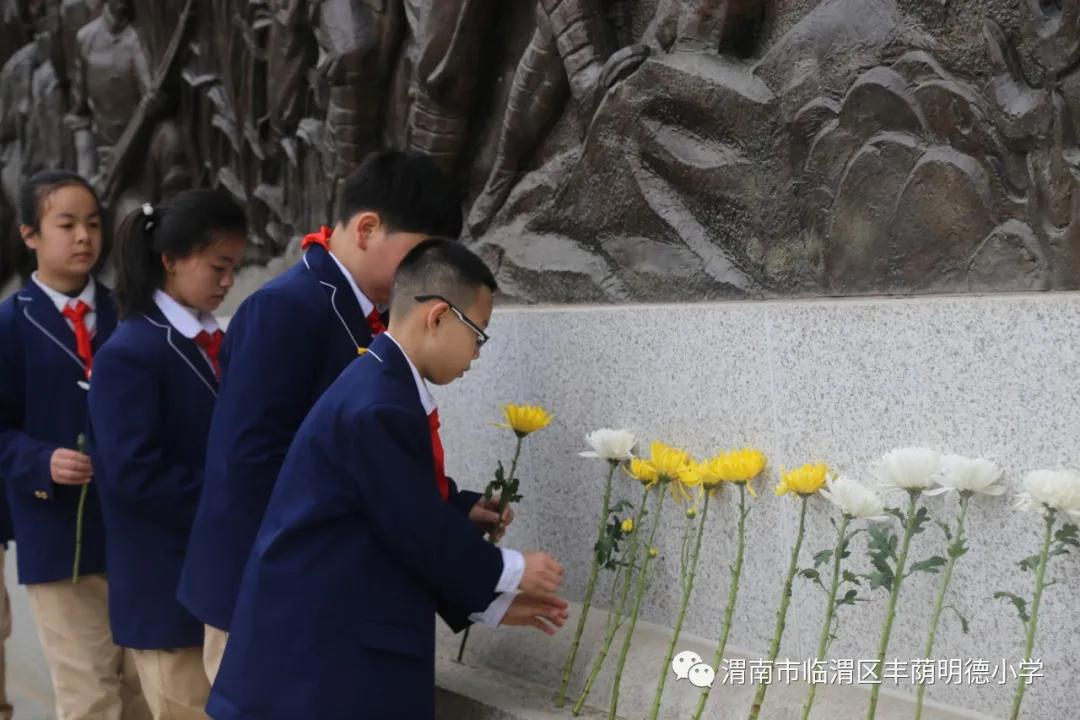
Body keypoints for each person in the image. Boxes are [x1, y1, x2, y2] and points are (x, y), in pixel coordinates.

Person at [179, 149, 507, 682]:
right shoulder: (285, 308)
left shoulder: (361, 313)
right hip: (267, 594)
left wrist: (451, 508)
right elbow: (256, 465)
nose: (426, 273)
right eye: (418, 253)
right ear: (368, 228)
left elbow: (362, 455)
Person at [207, 238, 569, 720]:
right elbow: (417, 528)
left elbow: (395, 529)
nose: (477, 356)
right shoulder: (378, 404)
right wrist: (512, 570)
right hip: (317, 674)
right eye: (478, 336)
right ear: (437, 317)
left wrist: (490, 603)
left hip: (322, 664)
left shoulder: (380, 383)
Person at [89, 190, 248, 720]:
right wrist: (233, 502)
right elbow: (134, 476)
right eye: (218, 266)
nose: (228, 281)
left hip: (221, 583)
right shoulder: (132, 351)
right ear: (171, 259)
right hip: (168, 594)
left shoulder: (216, 340)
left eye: (235, 268)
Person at [0, 169, 148, 720]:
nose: (85, 236)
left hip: (136, 536)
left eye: (93, 223)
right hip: (56, 537)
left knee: (144, 695)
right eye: (66, 224)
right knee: (88, 697)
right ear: (30, 234)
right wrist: (39, 460)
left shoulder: (131, 314)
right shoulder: (10, 326)